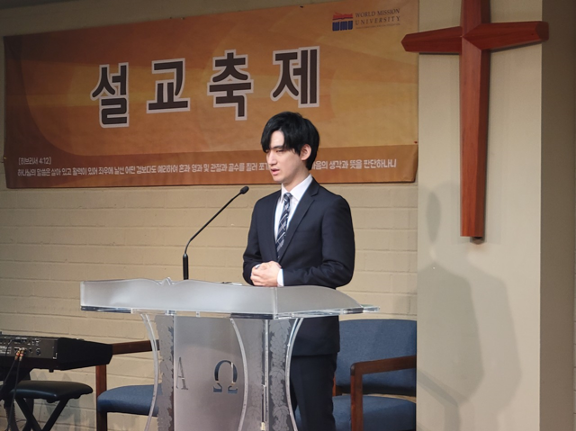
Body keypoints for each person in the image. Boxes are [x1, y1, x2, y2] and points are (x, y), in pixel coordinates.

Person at [243, 111, 355, 431]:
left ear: (304, 151)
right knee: (272, 423)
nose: (271, 160)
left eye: (279, 150)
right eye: (268, 151)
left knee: (315, 422)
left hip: (310, 339)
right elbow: (250, 261)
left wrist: (281, 278)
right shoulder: (263, 206)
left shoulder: (330, 205)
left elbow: (339, 270)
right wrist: (256, 272)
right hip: (269, 336)